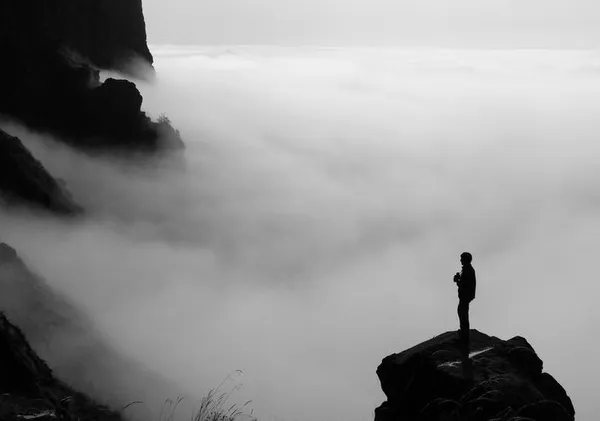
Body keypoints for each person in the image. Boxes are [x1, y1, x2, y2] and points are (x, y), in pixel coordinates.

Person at [453, 252, 476, 357]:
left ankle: (464, 338)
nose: (460, 260)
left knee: (463, 314)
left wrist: (457, 280)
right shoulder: (467, 269)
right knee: (462, 313)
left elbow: (464, 284)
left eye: (461, 258)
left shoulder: (467, 270)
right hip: (465, 296)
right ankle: (464, 335)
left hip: (465, 296)